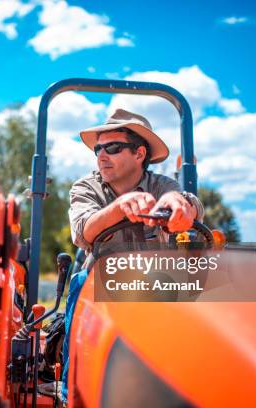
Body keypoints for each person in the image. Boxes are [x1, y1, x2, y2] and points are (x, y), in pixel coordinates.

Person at [60, 108, 204, 403]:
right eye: (98, 148)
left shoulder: (162, 185)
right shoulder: (86, 188)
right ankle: (69, 388)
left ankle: (192, 381)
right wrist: (118, 208)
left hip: (157, 283)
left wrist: (180, 205)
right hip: (101, 285)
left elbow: (188, 203)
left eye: (112, 147)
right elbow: (83, 231)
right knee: (80, 280)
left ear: (140, 154)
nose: (101, 155)